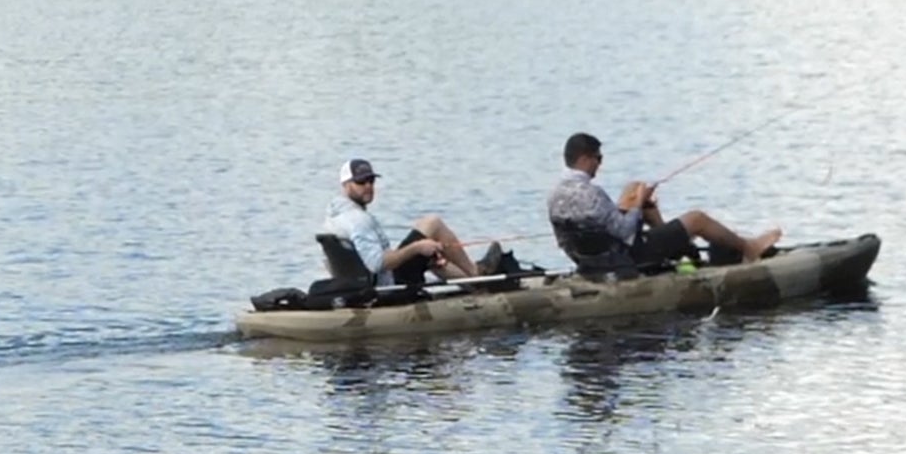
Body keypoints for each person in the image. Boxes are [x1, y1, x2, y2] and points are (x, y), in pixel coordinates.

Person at [546, 132, 781, 276]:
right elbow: (625, 233)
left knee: (632, 189)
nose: (600, 164)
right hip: (623, 258)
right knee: (696, 218)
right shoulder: (591, 193)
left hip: (587, 257)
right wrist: (638, 202)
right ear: (586, 158)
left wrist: (638, 202)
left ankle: (678, 247)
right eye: (598, 158)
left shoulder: (555, 194)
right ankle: (747, 247)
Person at [323, 158, 491, 288]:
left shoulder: (333, 216)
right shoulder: (359, 220)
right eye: (360, 182)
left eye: (371, 181)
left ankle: (473, 284)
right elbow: (377, 263)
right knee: (433, 224)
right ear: (345, 185)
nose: (368, 186)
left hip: (367, 281)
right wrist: (417, 248)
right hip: (388, 286)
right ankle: (476, 274)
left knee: (428, 249)